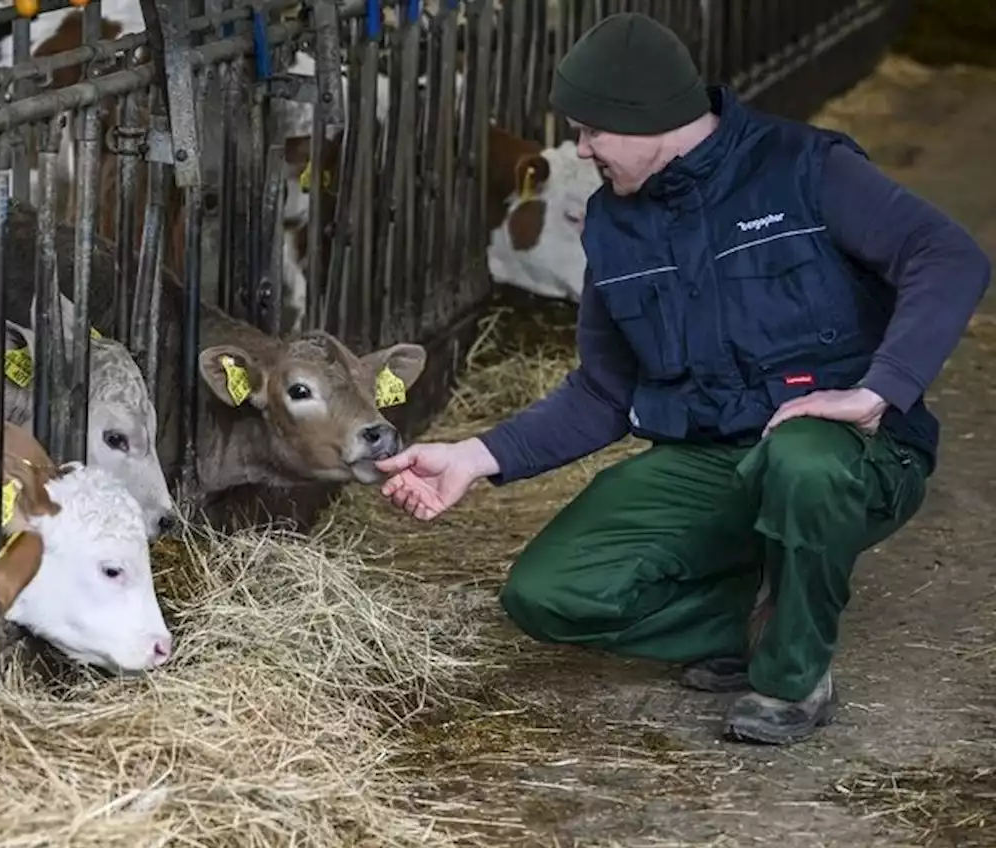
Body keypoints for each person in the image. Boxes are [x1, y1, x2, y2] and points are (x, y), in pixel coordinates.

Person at [376, 12, 992, 745]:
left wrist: (878, 389)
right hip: (715, 457)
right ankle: (769, 610)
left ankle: (793, 679)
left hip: (852, 450)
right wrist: (473, 458)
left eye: (589, 130)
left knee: (802, 461)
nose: (581, 149)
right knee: (548, 593)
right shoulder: (613, 223)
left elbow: (947, 255)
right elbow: (605, 392)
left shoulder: (803, 167)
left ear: (645, 119)